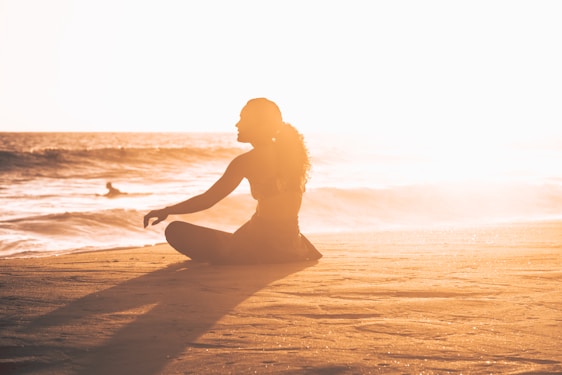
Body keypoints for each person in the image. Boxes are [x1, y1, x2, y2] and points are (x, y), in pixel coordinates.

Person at [143, 98, 322, 265]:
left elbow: (208, 199)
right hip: (292, 244)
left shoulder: (246, 161)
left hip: (264, 247)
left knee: (175, 230)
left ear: (261, 125)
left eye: (243, 119)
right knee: (232, 236)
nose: (237, 124)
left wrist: (168, 210)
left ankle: (238, 254)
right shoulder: (292, 154)